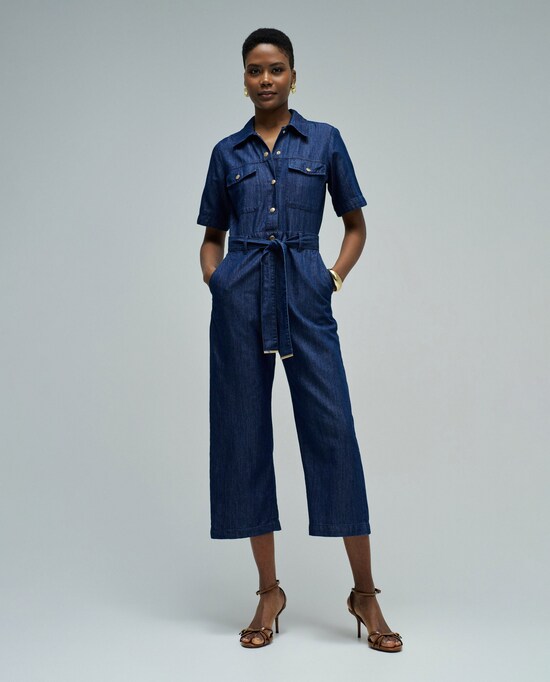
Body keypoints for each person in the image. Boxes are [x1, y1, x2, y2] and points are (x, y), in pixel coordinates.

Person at [196, 27, 403, 652]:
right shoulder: (226, 153)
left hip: (304, 294)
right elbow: (211, 236)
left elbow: (356, 224)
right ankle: (269, 593)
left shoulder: (325, 141)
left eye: (276, 69)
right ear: (244, 79)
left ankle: (365, 594)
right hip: (240, 298)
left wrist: (330, 277)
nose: (265, 79)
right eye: (255, 70)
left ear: (293, 74)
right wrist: (218, 282)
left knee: (333, 432)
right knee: (243, 436)